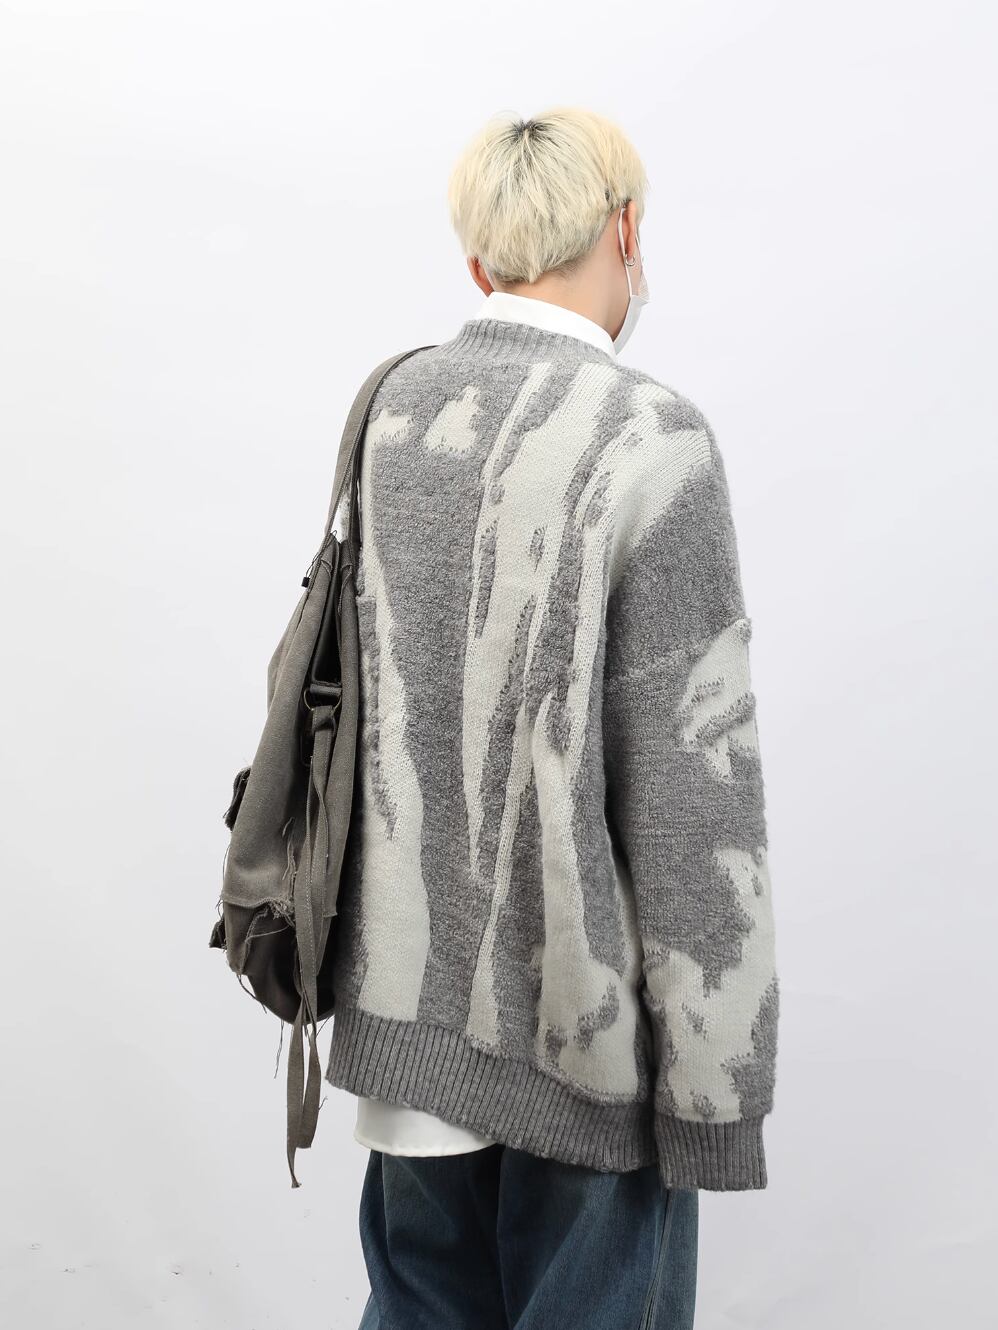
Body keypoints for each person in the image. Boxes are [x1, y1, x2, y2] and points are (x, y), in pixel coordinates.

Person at [323, 105, 781, 1330]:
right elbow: (690, 786)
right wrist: (716, 1087)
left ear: (479, 260)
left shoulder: (392, 410)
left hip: (404, 1013)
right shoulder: (652, 439)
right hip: (585, 1035)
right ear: (624, 231)